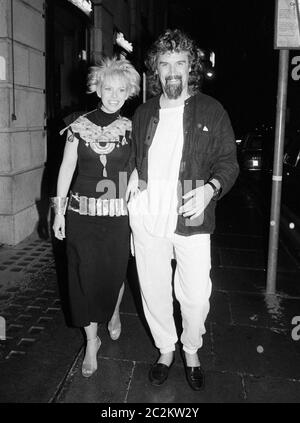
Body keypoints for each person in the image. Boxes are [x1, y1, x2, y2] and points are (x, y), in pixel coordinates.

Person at [126, 29, 239, 390]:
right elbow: (135, 158)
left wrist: (211, 189)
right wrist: (131, 175)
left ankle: (191, 348)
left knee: (194, 296)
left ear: (191, 68)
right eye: (165, 64)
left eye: (180, 63)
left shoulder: (212, 109)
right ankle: (166, 349)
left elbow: (228, 163)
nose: (172, 70)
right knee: (153, 290)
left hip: (192, 216)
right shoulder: (143, 112)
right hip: (148, 216)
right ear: (155, 71)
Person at [52, 57, 140, 378]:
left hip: (118, 215)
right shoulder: (78, 124)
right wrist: (58, 211)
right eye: (108, 87)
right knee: (81, 277)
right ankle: (92, 342)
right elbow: (66, 169)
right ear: (97, 88)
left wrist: (136, 179)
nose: (114, 94)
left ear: (128, 91)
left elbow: (140, 168)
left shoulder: (133, 128)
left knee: (115, 273)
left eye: (121, 89)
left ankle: (114, 312)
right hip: (81, 215)